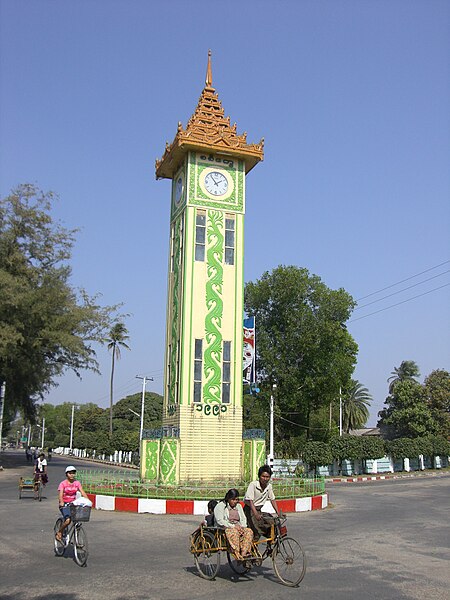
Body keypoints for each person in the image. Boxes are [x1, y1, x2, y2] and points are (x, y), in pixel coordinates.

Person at [214, 488, 253, 561]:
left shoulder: (239, 506)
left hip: (238, 526)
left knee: (249, 531)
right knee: (234, 532)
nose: (235, 501)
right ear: (228, 498)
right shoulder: (220, 506)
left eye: (237, 499)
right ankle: (237, 553)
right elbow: (220, 521)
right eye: (233, 499)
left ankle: (244, 553)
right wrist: (233, 526)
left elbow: (243, 519)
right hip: (225, 528)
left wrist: (242, 527)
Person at [244, 464, 281, 539]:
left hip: (258, 510)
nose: (265, 479)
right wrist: (256, 514)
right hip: (250, 510)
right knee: (255, 530)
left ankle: (270, 547)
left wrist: (278, 512)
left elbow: (272, 499)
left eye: (267, 477)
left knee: (272, 525)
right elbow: (250, 501)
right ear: (259, 476)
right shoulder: (253, 485)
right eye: (263, 476)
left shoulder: (269, 486)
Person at [55, 466, 89, 541]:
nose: (72, 475)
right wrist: (61, 502)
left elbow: (82, 492)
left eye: (73, 473)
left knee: (77, 519)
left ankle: (77, 540)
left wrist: (88, 501)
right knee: (67, 520)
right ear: (66, 474)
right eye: (70, 473)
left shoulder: (77, 483)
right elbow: (60, 494)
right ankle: (60, 532)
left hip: (73, 504)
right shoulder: (63, 484)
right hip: (65, 504)